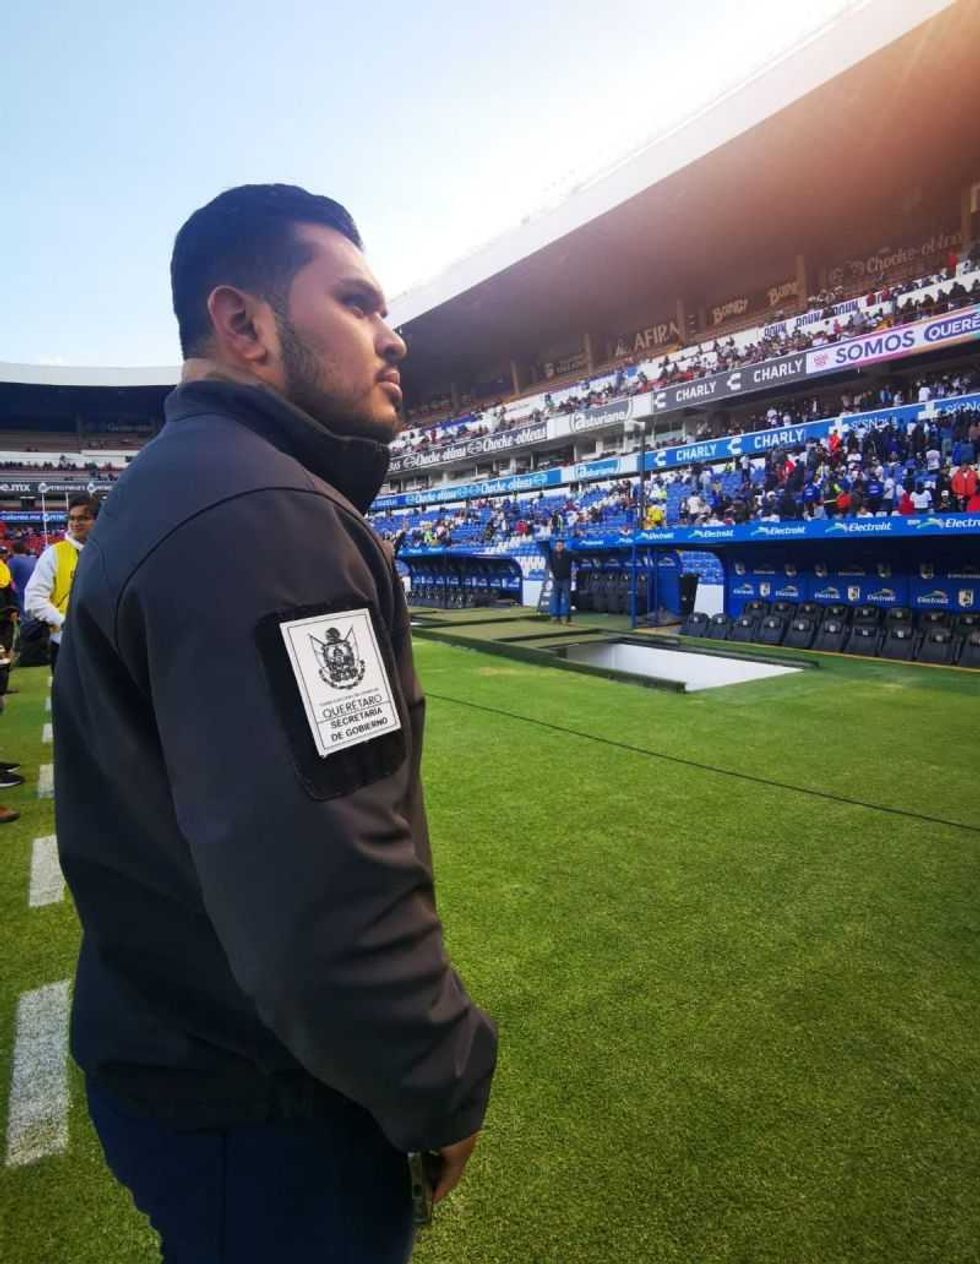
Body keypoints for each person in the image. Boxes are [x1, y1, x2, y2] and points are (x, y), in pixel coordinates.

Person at [53, 185, 497, 1263]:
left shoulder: (187, 485)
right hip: (262, 1108)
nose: (394, 335)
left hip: (185, 1065)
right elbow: (322, 888)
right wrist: (438, 1078)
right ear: (244, 325)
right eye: (354, 301)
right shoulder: (262, 512)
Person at [24, 494, 98, 672]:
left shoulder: (108, 552)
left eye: (83, 518)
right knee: (70, 700)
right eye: (72, 518)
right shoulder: (54, 554)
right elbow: (33, 598)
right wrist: (64, 622)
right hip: (66, 644)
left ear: (97, 520)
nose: (75, 523)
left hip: (102, 644)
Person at [547, 538, 574, 622]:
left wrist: (574, 570)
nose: (559, 547)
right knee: (556, 598)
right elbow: (550, 565)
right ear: (555, 546)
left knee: (567, 598)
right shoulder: (552, 554)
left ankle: (568, 617)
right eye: (557, 545)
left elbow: (578, 560)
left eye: (560, 545)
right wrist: (552, 574)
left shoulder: (568, 554)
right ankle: (557, 617)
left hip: (566, 579)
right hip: (556, 579)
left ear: (563, 546)